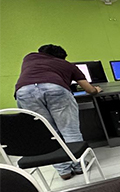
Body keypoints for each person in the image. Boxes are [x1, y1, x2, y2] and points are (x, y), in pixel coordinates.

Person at [14, 44, 102, 180]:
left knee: (48, 133)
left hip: (24, 92)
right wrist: (96, 90)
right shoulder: (68, 65)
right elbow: (89, 90)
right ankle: (79, 166)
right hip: (56, 89)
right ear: (62, 57)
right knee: (69, 130)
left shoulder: (29, 58)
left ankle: (64, 171)